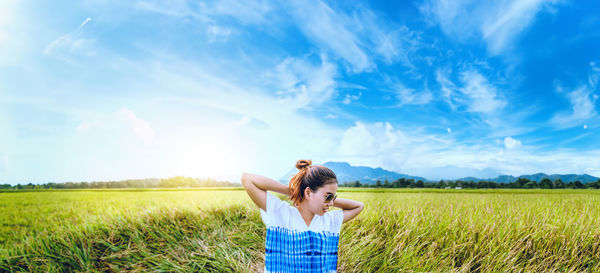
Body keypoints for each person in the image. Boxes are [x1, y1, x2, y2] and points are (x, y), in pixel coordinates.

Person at [242, 159, 365, 273]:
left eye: (333, 197)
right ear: (307, 192)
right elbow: (247, 179)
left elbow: (359, 206)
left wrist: (327, 199)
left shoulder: (328, 220)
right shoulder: (281, 213)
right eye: (328, 196)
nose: (332, 203)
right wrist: (293, 191)